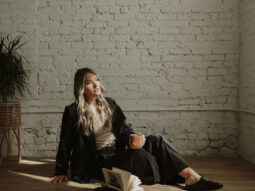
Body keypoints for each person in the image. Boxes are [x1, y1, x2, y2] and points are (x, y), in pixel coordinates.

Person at [50, 68, 223, 191]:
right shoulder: (73, 111)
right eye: (89, 82)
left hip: (119, 151)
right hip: (100, 161)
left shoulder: (110, 103)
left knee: (157, 139)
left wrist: (133, 135)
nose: (95, 84)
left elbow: (123, 127)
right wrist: (60, 170)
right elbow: (65, 142)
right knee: (139, 156)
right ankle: (167, 172)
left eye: (97, 80)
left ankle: (192, 177)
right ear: (81, 88)